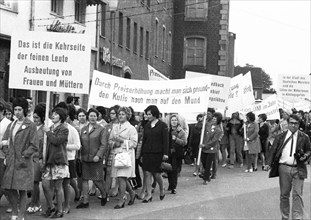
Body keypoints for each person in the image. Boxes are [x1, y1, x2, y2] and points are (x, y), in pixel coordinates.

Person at [264, 114, 311, 220]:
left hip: (298, 168)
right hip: (284, 168)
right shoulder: (281, 136)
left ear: (299, 124)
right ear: (288, 123)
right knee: (284, 195)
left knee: (297, 195)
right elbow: (273, 151)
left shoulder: (304, 137)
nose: (293, 125)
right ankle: (285, 217)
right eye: (291, 123)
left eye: (296, 123)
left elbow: (309, 150)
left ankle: (297, 217)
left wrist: (305, 156)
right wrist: (268, 164)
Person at [1, 97, 39, 220]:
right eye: (15, 109)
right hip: (11, 162)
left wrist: (24, 155)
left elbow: (34, 145)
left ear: (24, 110)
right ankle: (15, 211)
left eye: (19, 109)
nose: (17, 112)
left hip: (24, 163)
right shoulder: (11, 124)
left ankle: (21, 215)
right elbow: (5, 141)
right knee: (8, 187)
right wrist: (7, 154)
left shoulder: (30, 125)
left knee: (22, 190)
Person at [76, 108, 107, 209]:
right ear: (87, 117)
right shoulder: (83, 129)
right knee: (85, 179)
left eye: (94, 116)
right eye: (90, 115)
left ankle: (104, 194)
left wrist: (98, 155)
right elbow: (80, 143)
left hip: (96, 159)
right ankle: (85, 201)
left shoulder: (101, 129)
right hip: (85, 158)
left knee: (97, 180)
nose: (92, 118)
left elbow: (103, 145)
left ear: (97, 117)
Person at [41, 107, 69, 218]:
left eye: (56, 114)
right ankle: (51, 206)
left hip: (59, 160)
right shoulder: (50, 127)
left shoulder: (64, 129)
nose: (53, 115)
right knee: (45, 184)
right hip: (49, 160)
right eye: (53, 113)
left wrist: (48, 132)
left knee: (58, 187)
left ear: (61, 117)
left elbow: (57, 141)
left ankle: (60, 210)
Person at [109, 106, 138, 209]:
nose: (120, 116)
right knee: (121, 177)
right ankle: (132, 193)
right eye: (119, 114)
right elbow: (110, 140)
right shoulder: (115, 127)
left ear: (127, 116)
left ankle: (121, 200)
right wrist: (114, 144)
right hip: (117, 155)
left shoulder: (131, 128)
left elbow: (134, 143)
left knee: (122, 177)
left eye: (123, 114)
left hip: (126, 155)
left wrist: (122, 141)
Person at [140, 105, 169, 202]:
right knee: (147, 173)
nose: (147, 116)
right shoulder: (147, 126)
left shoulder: (163, 125)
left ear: (155, 114)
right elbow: (144, 140)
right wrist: (141, 154)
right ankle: (148, 195)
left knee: (156, 174)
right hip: (147, 152)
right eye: (147, 114)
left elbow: (166, 141)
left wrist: (165, 153)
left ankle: (161, 189)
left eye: (149, 114)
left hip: (158, 153)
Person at [26, 103, 46, 214]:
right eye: (34, 117)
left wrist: (42, 159)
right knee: (32, 182)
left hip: (38, 158)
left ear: (42, 117)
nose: (35, 119)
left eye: (37, 117)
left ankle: (34, 203)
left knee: (35, 182)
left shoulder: (44, 129)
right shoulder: (32, 127)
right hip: (30, 157)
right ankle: (36, 203)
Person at [199, 112, 223, 185]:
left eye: (215, 119)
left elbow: (214, 141)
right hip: (204, 148)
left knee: (208, 164)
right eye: (213, 118)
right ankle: (208, 173)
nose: (213, 120)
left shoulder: (219, 130)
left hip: (211, 149)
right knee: (203, 161)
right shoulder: (208, 125)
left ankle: (206, 179)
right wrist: (204, 116)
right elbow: (203, 125)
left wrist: (205, 145)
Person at [167, 114, 186, 194]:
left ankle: (173, 186)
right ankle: (170, 184)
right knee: (168, 169)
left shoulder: (181, 131)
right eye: (172, 120)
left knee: (174, 170)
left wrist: (176, 139)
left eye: (175, 120)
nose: (174, 122)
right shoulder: (167, 130)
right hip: (168, 152)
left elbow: (184, 142)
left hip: (176, 153)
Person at [0, 101, 13, 213]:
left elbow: (9, 141)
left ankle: (13, 203)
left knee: (4, 182)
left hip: (3, 156)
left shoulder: (8, 123)